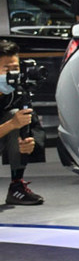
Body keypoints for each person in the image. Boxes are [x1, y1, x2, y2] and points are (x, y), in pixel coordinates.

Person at [0, 40, 45, 206]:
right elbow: (12, 123)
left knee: (21, 117)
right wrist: (11, 124)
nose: (12, 74)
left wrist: (29, 142)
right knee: (14, 119)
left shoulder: (18, 92)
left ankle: (16, 185)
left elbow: (32, 126)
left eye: (15, 68)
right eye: (7, 69)